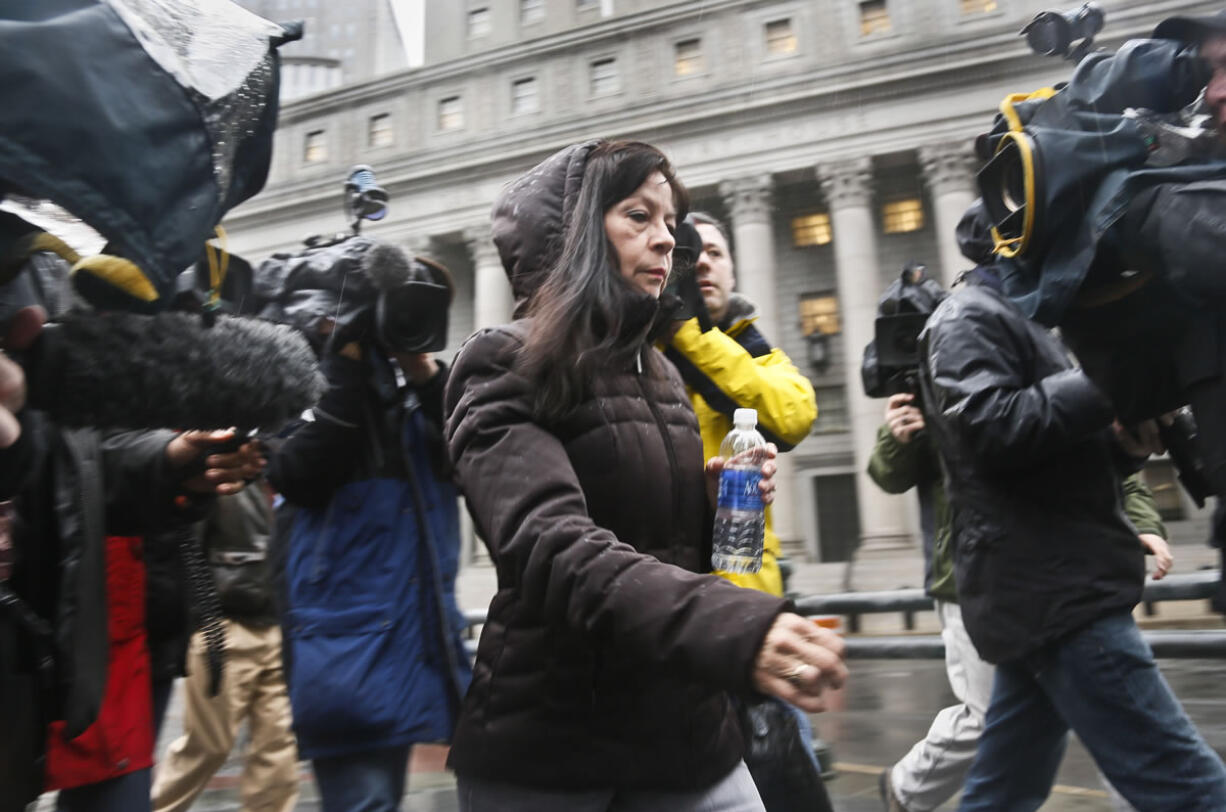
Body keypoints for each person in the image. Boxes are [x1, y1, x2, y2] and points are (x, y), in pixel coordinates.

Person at [444, 139, 846, 811]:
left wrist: (711, 508)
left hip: (686, 732)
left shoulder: (658, 372)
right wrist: (734, 626)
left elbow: (659, 544)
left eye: (670, 222)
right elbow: (554, 549)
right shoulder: (498, 363)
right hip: (554, 751)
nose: (667, 241)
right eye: (639, 216)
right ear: (577, 232)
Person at [915, 257, 1226, 811]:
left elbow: (1052, 460)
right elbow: (992, 428)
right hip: (1057, 591)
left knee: (1003, 793)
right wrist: (1109, 383)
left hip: (1045, 584)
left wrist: (1123, 448)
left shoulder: (1027, 320)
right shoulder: (966, 317)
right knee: (1185, 784)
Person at [868, 390, 1172, 812]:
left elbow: (1113, 461)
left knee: (1102, 707)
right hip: (971, 579)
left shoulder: (1052, 367)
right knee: (993, 717)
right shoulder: (939, 381)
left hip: (1065, 574)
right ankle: (907, 788)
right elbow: (888, 475)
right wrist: (895, 439)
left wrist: (1142, 523)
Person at [267, 260, 471, 812]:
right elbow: (298, 475)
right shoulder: (314, 381)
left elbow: (467, 460)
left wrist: (423, 370)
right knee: (365, 800)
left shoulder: (416, 395)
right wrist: (346, 365)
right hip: (348, 644)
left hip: (413, 632)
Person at [662, 212, 827, 811]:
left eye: (715, 252)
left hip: (752, 614)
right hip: (668, 610)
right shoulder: (640, 355)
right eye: (690, 254)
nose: (703, 262)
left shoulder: (757, 353)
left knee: (788, 785)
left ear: (733, 267)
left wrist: (689, 333)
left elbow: (791, 414)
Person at [151, 479, 299, 812]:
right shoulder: (223, 470)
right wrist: (204, 625)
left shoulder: (285, 464)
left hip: (279, 624)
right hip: (225, 625)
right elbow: (187, 549)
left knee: (279, 749)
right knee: (207, 748)